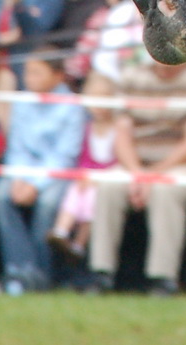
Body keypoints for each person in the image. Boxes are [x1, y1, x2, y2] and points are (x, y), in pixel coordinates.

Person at [87, 58, 186, 294]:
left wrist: (154, 174)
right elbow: (122, 134)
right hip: (135, 164)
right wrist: (138, 173)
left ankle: (163, 279)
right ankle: (101, 274)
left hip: (181, 164)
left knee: (165, 190)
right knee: (108, 184)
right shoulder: (131, 78)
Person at [0, 55, 87, 294]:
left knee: (47, 203)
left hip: (58, 175)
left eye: (37, 73)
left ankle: (40, 274)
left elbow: (66, 155)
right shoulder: (22, 101)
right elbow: (17, 147)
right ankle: (18, 269)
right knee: (1, 196)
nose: (29, 79)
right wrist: (19, 180)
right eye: (27, 73)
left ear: (57, 75)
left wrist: (36, 185)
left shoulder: (73, 106)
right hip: (23, 171)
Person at [49, 73, 120, 267]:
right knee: (74, 194)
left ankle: (79, 244)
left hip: (104, 179)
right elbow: (83, 157)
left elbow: (117, 159)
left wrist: (96, 178)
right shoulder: (86, 127)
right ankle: (60, 232)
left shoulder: (117, 128)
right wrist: (82, 176)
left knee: (91, 201)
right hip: (86, 177)